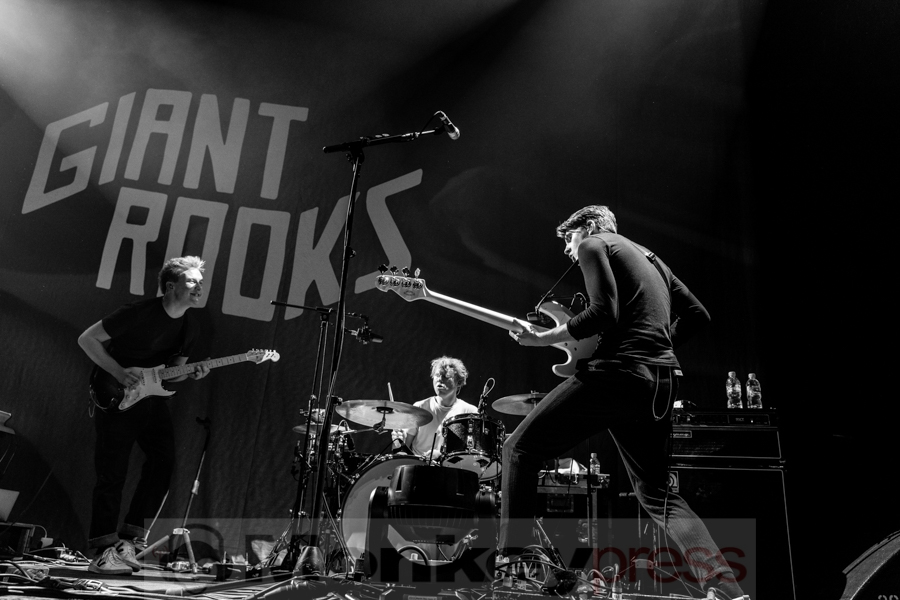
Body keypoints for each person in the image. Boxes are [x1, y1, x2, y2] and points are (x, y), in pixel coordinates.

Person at [502, 206, 747, 600]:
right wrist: (655, 348)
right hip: (662, 381)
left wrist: (543, 339)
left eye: (568, 239)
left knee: (519, 448)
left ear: (588, 227)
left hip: (617, 374)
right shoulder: (651, 258)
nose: (568, 249)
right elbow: (699, 315)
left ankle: (511, 569)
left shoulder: (595, 243)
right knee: (658, 494)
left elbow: (603, 311)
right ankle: (727, 588)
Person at [78, 256, 211, 575]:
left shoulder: (190, 325)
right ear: (170, 286)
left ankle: (129, 540)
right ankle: (102, 549)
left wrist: (193, 373)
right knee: (112, 472)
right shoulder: (137, 312)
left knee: (163, 461)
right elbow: (87, 340)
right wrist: (120, 373)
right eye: (192, 281)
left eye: (200, 283)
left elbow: (172, 374)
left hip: (149, 397)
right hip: (114, 391)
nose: (199, 287)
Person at [392, 356, 478, 461]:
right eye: (437, 375)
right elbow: (402, 451)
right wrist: (397, 442)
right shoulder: (420, 407)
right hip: (419, 469)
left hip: (451, 472)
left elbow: (472, 456)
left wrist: (442, 455)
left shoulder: (470, 411)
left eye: (446, 376)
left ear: (459, 382)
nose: (440, 379)